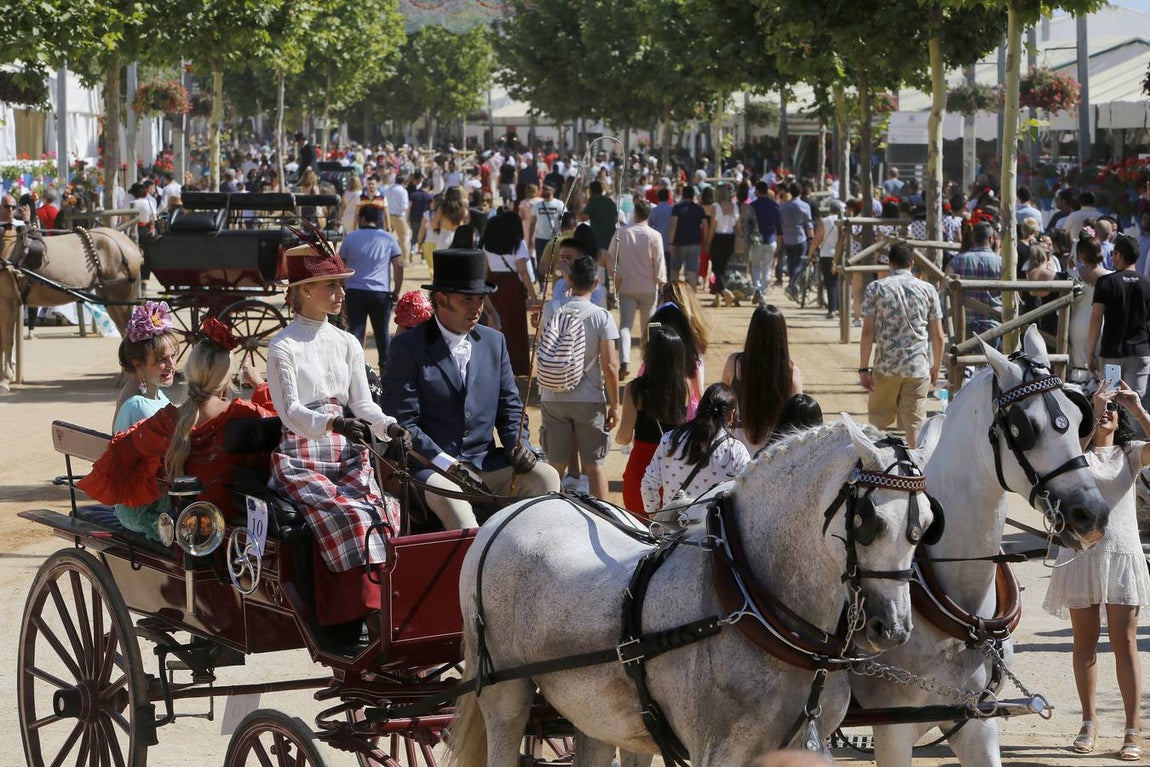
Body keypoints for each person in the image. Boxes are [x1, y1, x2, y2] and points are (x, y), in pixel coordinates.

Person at [266, 239, 410, 630]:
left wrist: (389, 426)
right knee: (353, 516)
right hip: (300, 458)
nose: (341, 294)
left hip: (346, 454)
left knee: (385, 509)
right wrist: (331, 423)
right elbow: (291, 412)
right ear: (305, 291)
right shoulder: (283, 346)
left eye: (340, 285)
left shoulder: (347, 342)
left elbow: (363, 405)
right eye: (332, 285)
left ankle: (385, 608)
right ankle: (359, 614)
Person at [382, 247, 561, 530]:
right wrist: (449, 464)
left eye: (481, 299)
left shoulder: (494, 342)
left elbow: (511, 406)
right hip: (431, 468)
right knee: (457, 506)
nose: (477, 308)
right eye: (467, 300)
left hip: (485, 462)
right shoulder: (407, 348)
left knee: (546, 478)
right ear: (441, 299)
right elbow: (404, 422)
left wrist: (519, 444)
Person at [78, 319, 275, 540]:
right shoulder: (244, 414)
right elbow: (282, 426)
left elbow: (120, 454)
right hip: (231, 523)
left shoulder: (167, 420)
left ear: (190, 370)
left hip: (186, 524)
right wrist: (260, 385)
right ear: (226, 376)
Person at [1044, 382, 1150, 761]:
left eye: (1111, 411)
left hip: (1122, 555)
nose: (1107, 413)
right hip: (1081, 556)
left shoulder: (1130, 452)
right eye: (1100, 409)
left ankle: (1132, 727)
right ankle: (1088, 723)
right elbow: (1061, 468)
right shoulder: (1074, 456)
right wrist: (1090, 412)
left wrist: (1136, 409)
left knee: (1125, 642)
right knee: (1084, 644)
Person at [539, 252, 620, 499]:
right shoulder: (602, 316)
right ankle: (606, 518)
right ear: (596, 284)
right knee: (594, 465)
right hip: (589, 398)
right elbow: (611, 366)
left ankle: (551, 512)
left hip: (552, 397)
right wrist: (615, 404)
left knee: (556, 467)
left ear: (569, 281)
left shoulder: (550, 310)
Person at [859, 241, 944, 449]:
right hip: (917, 366)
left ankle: (879, 475)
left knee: (877, 425)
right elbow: (938, 335)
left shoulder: (876, 288)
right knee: (914, 427)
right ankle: (917, 474)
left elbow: (868, 331)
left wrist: (863, 367)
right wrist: (936, 367)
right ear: (912, 263)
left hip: (886, 366)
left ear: (890, 263)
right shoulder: (928, 289)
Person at [640, 382, 749, 517]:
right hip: (710, 534)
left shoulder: (670, 439)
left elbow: (648, 484)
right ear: (731, 415)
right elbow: (748, 494)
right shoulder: (735, 451)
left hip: (672, 532)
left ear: (700, 406)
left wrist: (655, 516)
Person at [616, 324, 690, 514]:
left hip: (643, 467)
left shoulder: (635, 390)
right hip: (675, 467)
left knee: (640, 531)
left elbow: (624, 437)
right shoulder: (685, 386)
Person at [722, 304, 803, 453]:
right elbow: (798, 415)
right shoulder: (791, 373)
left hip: (737, 447)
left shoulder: (734, 363)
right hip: (776, 450)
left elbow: (722, 403)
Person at [1088, 235, 1150, 408]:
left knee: (1111, 401)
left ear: (1119, 255)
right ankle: (1139, 436)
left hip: (1111, 354)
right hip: (1140, 353)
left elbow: (1096, 318)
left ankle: (1113, 436)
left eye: (1113, 253)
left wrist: (1090, 352)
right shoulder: (1147, 283)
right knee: (1136, 404)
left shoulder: (1106, 283)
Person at [610, 198, 667, 380]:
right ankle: (648, 363)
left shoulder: (622, 233)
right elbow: (659, 264)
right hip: (648, 287)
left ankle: (625, 361)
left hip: (627, 286)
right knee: (647, 328)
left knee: (625, 325)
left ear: (635, 213)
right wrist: (661, 284)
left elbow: (610, 257)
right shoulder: (654, 236)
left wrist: (616, 277)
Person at [481, 207, 537, 376]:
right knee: (516, 326)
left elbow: (484, 272)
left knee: (495, 324)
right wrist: (533, 296)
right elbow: (523, 271)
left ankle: (493, 365)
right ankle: (516, 365)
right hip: (512, 287)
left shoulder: (487, 244)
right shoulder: (518, 244)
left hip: (493, 286)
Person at [114, 301, 180, 433]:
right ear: (138, 364)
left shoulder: (155, 394)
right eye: (162, 360)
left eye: (173, 356)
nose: (171, 365)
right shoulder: (138, 406)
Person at [946, 220, 1002, 343]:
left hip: (964, 322)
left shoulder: (957, 260)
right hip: (993, 322)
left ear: (973, 238)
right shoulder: (1001, 263)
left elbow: (947, 289)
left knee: (965, 360)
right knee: (992, 361)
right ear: (991, 238)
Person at [779, 182, 814, 300]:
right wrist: (811, 238)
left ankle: (792, 284)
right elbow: (809, 224)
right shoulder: (804, 206)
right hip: (800, 237)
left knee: (790, 262)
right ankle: (792, 285)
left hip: (787, 237)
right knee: (799, 263)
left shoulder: (783, 206)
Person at [667, 185, 706, 287]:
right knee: (693, 272)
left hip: (679, 243)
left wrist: (670, 242)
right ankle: (692, 297)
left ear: (682, 195)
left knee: (674, 271)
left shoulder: (677, 208)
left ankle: (674, 295)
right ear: (693, 195)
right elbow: (705, 225)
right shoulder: (699, 209)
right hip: (695, 243)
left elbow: (673, 224)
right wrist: (705, 241)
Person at [811, 199, 844, 318]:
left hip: (827, 254)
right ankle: (841, 308)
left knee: (830, 283)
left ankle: (832, 309)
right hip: (842, 255)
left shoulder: (824, 221)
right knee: (842, 282)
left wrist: (810, 253)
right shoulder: (844, 221)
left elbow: (817, 240)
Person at [529, 184, 567, 286]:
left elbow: (566, 220)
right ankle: (542, 284)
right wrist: (530, 239)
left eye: (547, 189)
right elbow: (532, 223)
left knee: (557, 261)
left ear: (553, 191)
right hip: (540, 238)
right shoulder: (537, 205)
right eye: (543, 189)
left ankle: (559, 283)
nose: (545, 190)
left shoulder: (559, 204)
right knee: (541, 262)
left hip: (555, 239)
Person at [748, 181, 781, 297]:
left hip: (756, 241)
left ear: (757, 191)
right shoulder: (775, 206)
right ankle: (762, 292)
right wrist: (780, 241)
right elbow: (779, 226)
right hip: (770, 240)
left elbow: (749, 225)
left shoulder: (752, 206)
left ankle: (757, 287)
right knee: (767, 268)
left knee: (755, 266)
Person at [708, 184, 739, 304]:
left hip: (718, 238)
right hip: (730, 238)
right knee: (724, 266)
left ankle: (724, 291)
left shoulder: (716, 207)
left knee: (716, 266)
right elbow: (738, 225)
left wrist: (708, 242)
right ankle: (718, 296)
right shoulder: (734, 206)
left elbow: (712, 226)